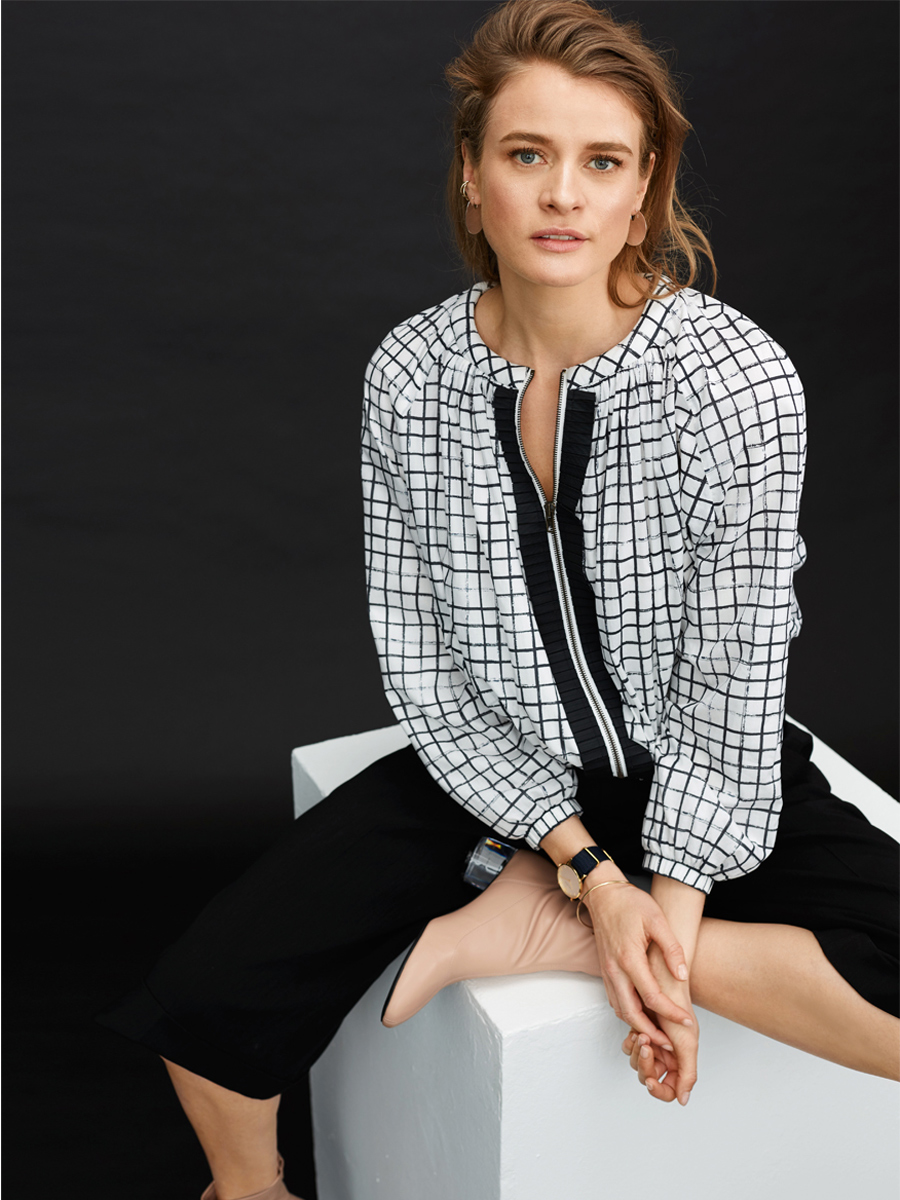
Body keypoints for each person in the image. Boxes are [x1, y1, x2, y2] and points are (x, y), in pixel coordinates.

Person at [96, 2, 900, 1197]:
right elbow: (424, 667)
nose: (563, 194)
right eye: (528, 155)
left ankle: (547, 934)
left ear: (644, 191)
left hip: (701, 764)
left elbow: (736, 669)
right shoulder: (410, 374)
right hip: (491, 769)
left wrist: (653, 923)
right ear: (473, 179)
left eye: (603, 162)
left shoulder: (732, 378)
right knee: (208, 1003)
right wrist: (588, 862)